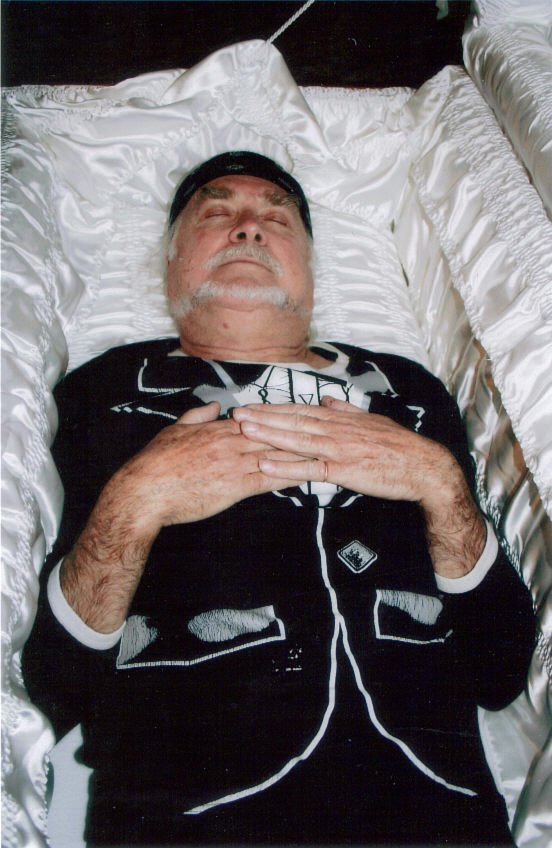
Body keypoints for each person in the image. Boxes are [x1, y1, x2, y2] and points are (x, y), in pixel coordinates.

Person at [23, 151, 535, 847]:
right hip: (188, 821)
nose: (248, 227)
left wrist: (441, 486)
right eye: (216, 213)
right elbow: (53, 687)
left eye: (277, 218)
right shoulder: (102, 393)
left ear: (311, 273)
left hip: (436, 818)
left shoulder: (411, 393)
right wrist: (135, 501)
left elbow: (501, 671)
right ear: (171, 266)